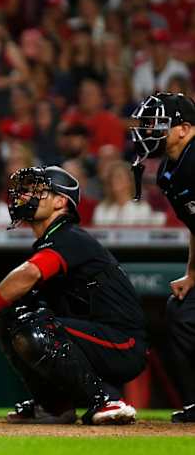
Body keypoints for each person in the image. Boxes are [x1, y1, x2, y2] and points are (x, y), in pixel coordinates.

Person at [0, 166, 147, 425]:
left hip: (122, 343)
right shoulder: (52, 239)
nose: (25, 196)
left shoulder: (70, 236)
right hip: (91, 336)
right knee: (11, 311)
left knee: (34, 326)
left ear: (61, 202)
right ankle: (53, 405)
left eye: (37, 191)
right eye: (26, 190)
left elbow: (29, 273)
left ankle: (105, 400)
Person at [130, 92, 195, 422]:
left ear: (184, 128)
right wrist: (192, 273)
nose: (148, 130)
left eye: (158, 124)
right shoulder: (169, 171)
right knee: (182, 311)